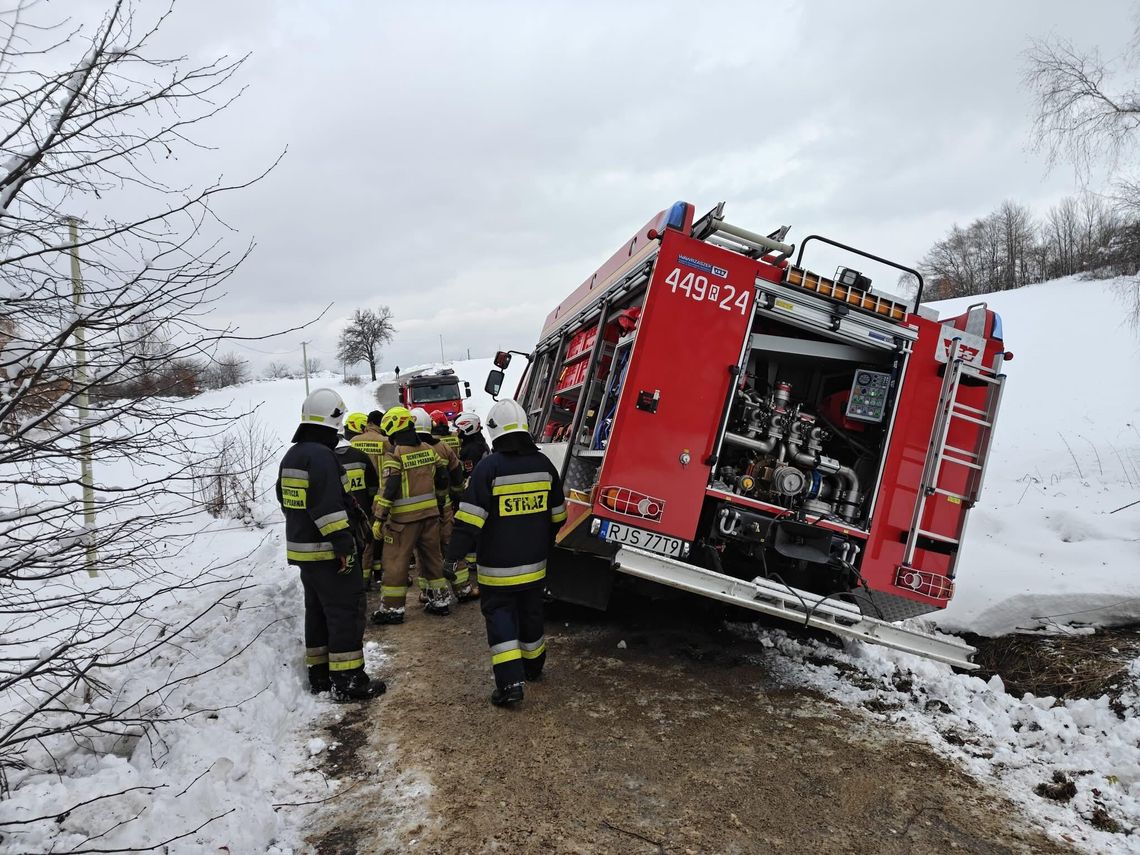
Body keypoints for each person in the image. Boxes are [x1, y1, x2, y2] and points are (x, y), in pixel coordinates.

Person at [445, 399, 567, 707]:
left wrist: (453, 557)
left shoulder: (489, 468)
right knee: (531, 613)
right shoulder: (544, 466)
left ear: (494, 430)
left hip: (497, 570)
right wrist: (541, 538)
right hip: (535, 566)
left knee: (501, 617)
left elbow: (469, 522)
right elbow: (559, 516)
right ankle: (533, 667)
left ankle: (511, 684)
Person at [276, 388, 385, 702]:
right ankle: (349, 680)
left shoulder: (292, 456)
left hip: (304, 551)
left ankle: (320, 675)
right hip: (329, 552)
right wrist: (343, 546)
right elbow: (327, 508)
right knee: (345, 612)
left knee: (318, 613)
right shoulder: (322, 457)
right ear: (333, 420)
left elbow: (285, 499)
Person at [371, 405, 452, 624]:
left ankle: (392, 609)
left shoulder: (394, 454)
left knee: (395, 562)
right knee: (433, 559)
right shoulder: (428, 449)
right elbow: (443, 477)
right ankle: (440, 601)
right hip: (430, 517)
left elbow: (390, 488)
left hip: (403, 522)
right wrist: (439, 501)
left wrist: (379, 518)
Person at [410, 407, 468, 600]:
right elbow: (456, 475)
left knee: (424, 550)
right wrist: (457, 497)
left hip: (418, 512)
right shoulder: (443, 447)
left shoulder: (401, 451)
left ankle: (428, 592)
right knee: (450, 544)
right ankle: (462, 588)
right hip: (444, 506)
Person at [337, 412, 380, 587]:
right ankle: (368, 578)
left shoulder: (327, 459)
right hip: (362, 509)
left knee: (348, 548)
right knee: (367, 544)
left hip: (339, 513)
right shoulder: (360, 456)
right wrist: (371, 504)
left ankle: (354, 581)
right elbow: (373, 485)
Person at [350, 411, 388, 586]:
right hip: (380, 495)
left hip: (358, 494)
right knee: (379, 535)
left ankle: (364, 578)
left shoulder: (354, 441)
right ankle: (378, 573)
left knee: (363, 536)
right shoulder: (385, 442)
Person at [454, 412, 490, 483]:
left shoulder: (472, 449)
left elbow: (468, 474)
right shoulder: (477, 440)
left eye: (459, 429)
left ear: (468, 429)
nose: (457, 431)